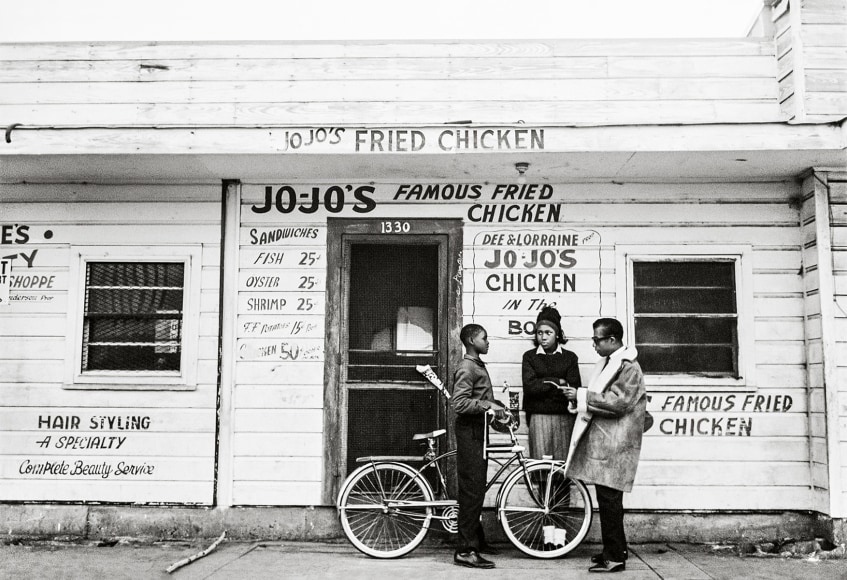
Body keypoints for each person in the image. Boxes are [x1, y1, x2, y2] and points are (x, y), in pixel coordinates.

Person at [562, 318, 646, 574]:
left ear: (612, 340)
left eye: (597, 340)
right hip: (610, 443)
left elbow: (618, 402)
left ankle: (615, 557)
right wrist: (581, 397)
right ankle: (616, 550)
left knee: (610, 502)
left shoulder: (628, 367)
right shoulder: (613, 363)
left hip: (617, 445)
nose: (594, 345)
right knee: (609, 501)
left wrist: (581, 395)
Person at [451, 323, 509, 569]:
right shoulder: (467, 367)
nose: (488, 342)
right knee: (471, 491)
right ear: (472, 341)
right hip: (470, 432)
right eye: (484, 338)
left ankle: (477, 540)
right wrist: (488, 405)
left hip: (478, 431)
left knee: (476, 489)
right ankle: (466, 550)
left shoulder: (476, 365)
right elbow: (459, 403)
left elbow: (479, 398)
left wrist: (496, 407)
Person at [521, 306, 582, 461]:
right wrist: (558, 381)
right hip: (538, 417)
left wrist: (543, 386)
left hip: (564, 418)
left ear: (557, 334)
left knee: (562, 464)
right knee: (540, 463)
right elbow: (530, 388)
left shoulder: (570, 358)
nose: (543, 337)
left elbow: (573, 389)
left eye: (548, 333)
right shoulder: (529, 357)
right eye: (539, 332)